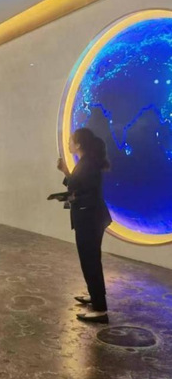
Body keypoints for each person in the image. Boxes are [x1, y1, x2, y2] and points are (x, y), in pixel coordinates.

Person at [56, 128, 112, 324]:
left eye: (71, 141)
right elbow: (79, 186)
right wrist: (65, 172)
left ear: (79, 144)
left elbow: (84, 193)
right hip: (90, 218)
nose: (69, 144)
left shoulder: (88, 164)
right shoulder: (87, 162)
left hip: (89, 219)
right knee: (91, 260)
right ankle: (95, 297)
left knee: (90, 262)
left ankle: (100, 310)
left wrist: (70, 197)